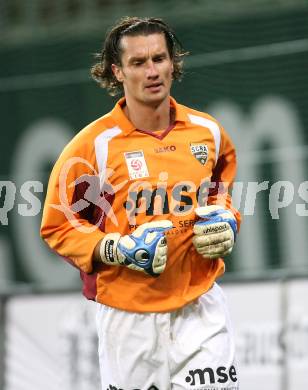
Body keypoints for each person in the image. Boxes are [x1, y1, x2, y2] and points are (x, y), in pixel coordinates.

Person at [41, 16, 241, 390]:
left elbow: (221, 194)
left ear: (173, 62)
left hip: (199, 306)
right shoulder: (93, 147)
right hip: (127, 317)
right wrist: (116, 248)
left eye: (159, 59)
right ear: (117, 71)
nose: (152, 71)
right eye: (138, 63)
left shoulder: (208, 133)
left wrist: (228, 221)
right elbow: (58, 226)